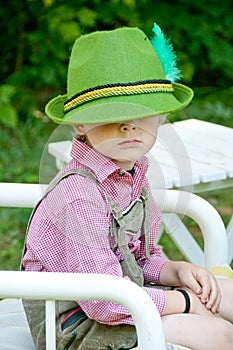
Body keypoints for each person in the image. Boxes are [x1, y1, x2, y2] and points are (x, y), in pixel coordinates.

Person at [21, 23, 233, 350]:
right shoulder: (79, 196)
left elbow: (136, 260)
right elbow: (105, 303)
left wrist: (177, 271)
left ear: (161, 117)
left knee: (226, 296)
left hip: (123, 299)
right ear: (79, 122)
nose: (128, 125)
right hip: (78, 324)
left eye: (143, 111)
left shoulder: (131, 176)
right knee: (217, 332)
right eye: (112, 114)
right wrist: (186, 302)